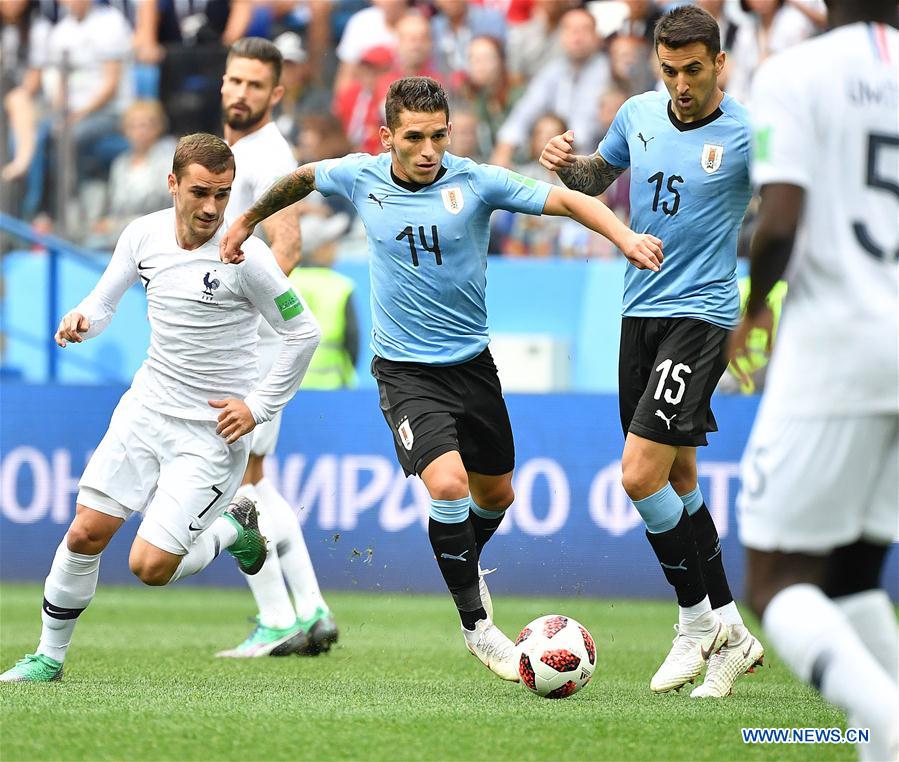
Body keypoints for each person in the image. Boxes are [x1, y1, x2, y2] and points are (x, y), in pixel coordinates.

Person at [220, 76, 663, 681]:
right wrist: (247, 218)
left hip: (473, 367)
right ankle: (477, 626)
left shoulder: (475, 181)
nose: (428, 150)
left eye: (438, 136)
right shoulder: (362, 175)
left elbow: (567, 201)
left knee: (497, 494)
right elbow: (303, 178)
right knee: (448, 485)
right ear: (387, 139)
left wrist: (624, 236)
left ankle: (463, 564)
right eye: (413, 138)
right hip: (404, 372)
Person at [0, 133, 321, 683]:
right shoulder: (142, 235)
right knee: (84, 533)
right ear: (172, 184)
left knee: (149, 567)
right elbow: (102, 304)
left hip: (211, 433)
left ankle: (233, 529)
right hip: (145, 411)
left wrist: (258, 408)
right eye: (200, 192)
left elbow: (304, 334)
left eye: (222, 194)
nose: (212, 208)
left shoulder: (247, 256)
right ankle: (48, 658)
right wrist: (81, 320)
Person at [540, 4, 763, 698]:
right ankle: (732, 631)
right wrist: (562, 163)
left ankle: (697, 623)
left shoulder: (747, 136)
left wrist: (760, 317)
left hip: (702, 317)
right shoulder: (637, 112)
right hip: (637, 312)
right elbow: (595, 180)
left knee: (637, 476)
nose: (679, 85)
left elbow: (789, 213)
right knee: (678, 479)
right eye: (668, 71)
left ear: (718, 64)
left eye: (692, 70)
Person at [731, 0, 898, 758]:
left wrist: (756, 310)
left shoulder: (794, 72)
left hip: (836, 346)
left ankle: (886, 730)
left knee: (775, 579)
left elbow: (780, 222)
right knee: (854, 568)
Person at [216, 36, 338, 659]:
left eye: (254, 85)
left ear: (276, 93)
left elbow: (286, 246)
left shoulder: (270, 155)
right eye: (234, 81)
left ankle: (276, 619)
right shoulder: (234, 151)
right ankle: (309, 609)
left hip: (252, 345)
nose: (240, 93)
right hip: (245, 343)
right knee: (253, 483)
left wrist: (238, 316)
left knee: (230, 483)